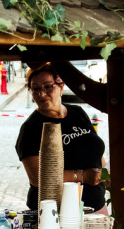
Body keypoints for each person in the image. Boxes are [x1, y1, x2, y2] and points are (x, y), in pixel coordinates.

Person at [15, 63, 106, 212]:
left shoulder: (77, 112)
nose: (41, 93)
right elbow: (38, 178)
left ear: (61, 86)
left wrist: (106, 175)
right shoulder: (31, 128)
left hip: (95, 203)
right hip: (54, 212)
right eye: (36, 88)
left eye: (47, 86)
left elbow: (95, 150)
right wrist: (82, 176)